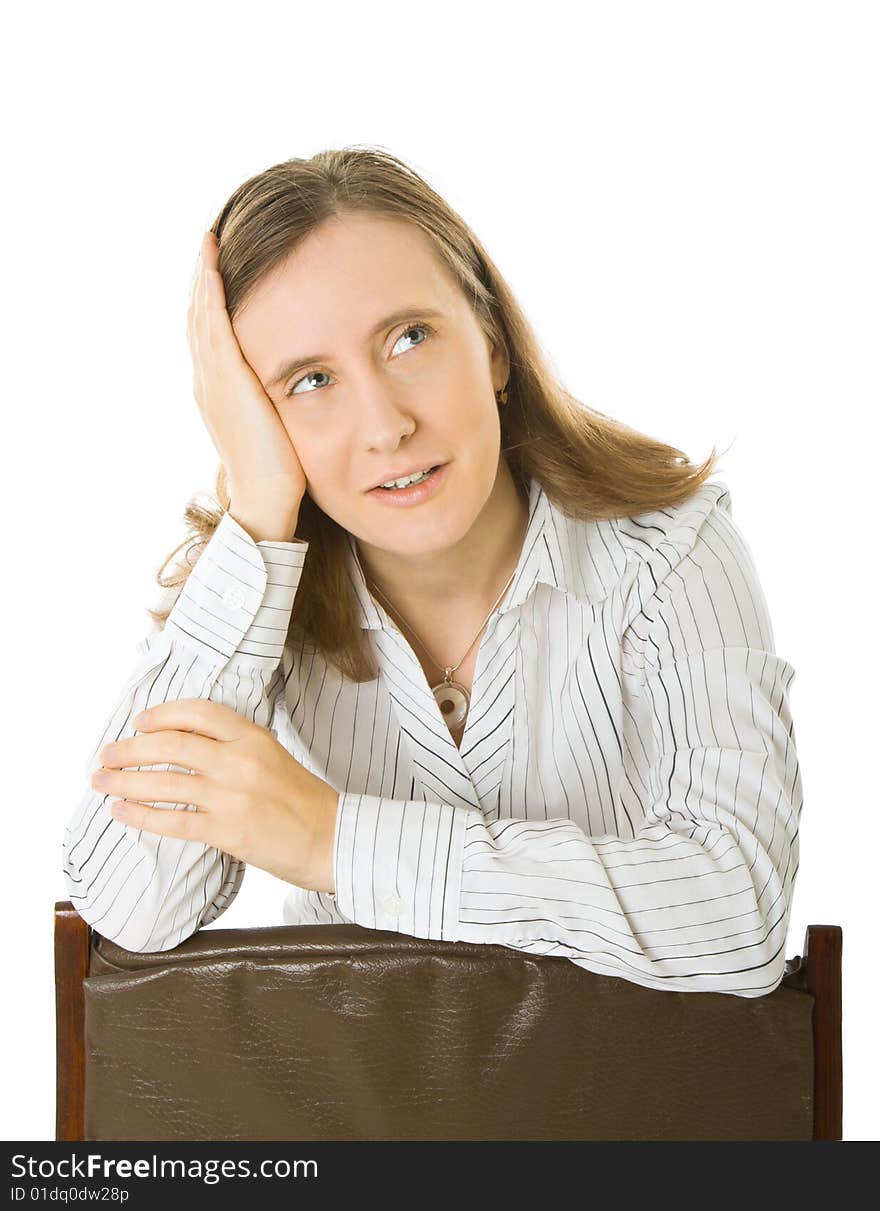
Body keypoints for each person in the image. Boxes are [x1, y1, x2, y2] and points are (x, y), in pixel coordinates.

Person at [61, 147, 803, 997]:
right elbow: (130, 906)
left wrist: (332, 839)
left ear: (491, 342)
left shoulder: (671, 551)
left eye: (408, 337)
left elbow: (737, 915)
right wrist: (260, 503)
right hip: (353, 1111)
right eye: (309, 382)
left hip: (621, 1114)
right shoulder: (258, 590)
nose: (386, 425)